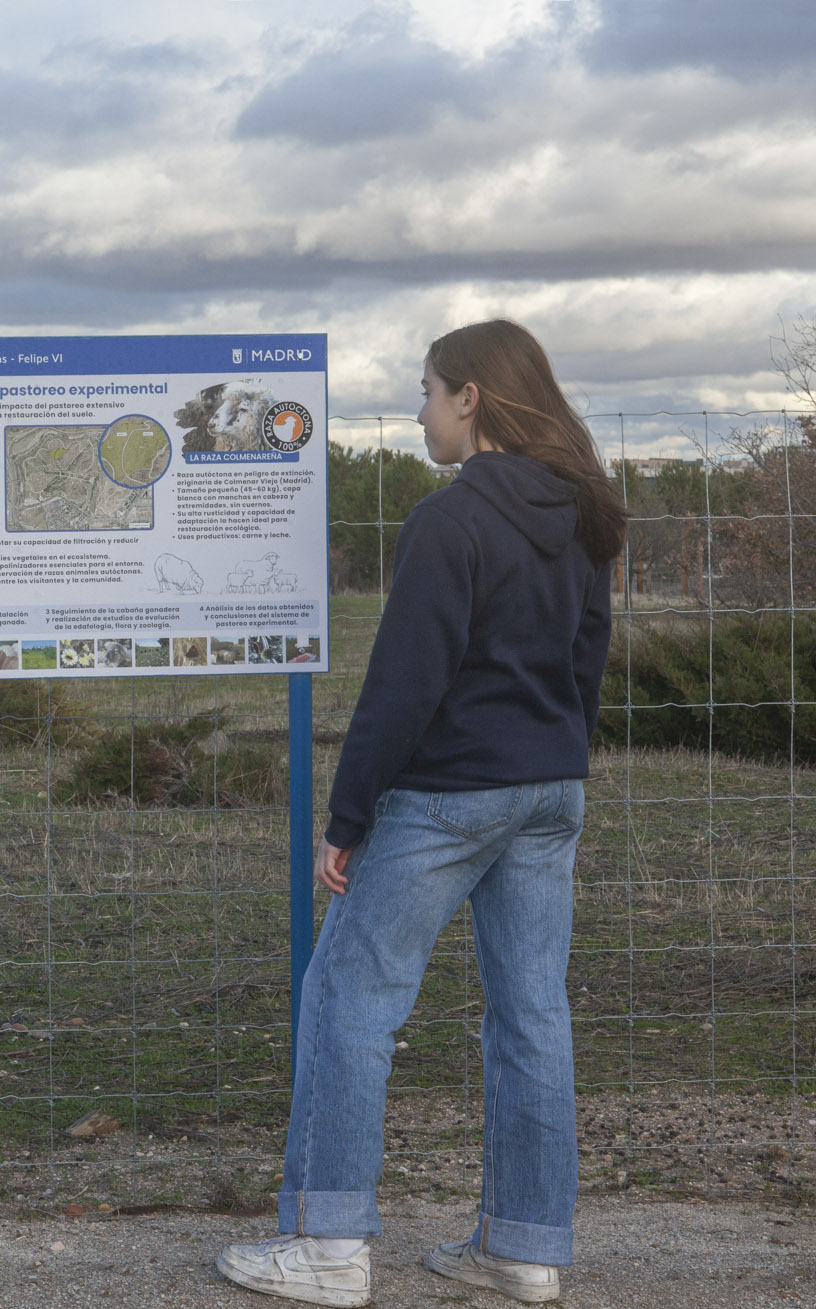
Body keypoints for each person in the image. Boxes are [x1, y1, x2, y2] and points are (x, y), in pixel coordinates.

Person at [217, 321, 625, 1306]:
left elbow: (403, 683)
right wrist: (553, 758)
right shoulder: (584, 514)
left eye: (429, 390)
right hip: (548, 790)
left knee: (349, 994)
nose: (419, 409)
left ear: (472, 398)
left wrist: (347, 814)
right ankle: (524, 1248)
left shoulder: (450, 521)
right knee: (531, 1012)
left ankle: (326, 1244)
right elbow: (588, 658)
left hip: (448, 796)